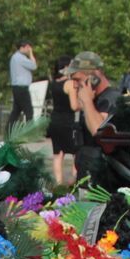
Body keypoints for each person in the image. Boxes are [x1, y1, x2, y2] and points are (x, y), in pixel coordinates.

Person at [64, 51, 121, 179]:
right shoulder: (94, 99)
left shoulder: (110, 99)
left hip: (103, 176)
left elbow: (98, 131)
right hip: (87, 171)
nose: (74, 85)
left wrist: (87, 101)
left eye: (77, 79)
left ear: (94, 77)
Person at [47, 55, 81, 186]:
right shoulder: (70, 84)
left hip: (55, 120)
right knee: (75, 153)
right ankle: (74, 181)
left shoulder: (54, 83)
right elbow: (74, 106)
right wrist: (84, 104)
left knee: (58, 154)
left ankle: (58, 183)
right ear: (66, 67)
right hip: (68, 122)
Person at [8, 40, 38, 127]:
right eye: (27, 48)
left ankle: (9, 131)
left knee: (16, 111)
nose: (29, 49)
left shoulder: (16, 57)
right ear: (22, 48)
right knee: (29, 111)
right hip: (21, 88)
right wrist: (31, 54)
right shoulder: (20, 58)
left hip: (17, 87)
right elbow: (34, 66)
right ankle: (29, 132)